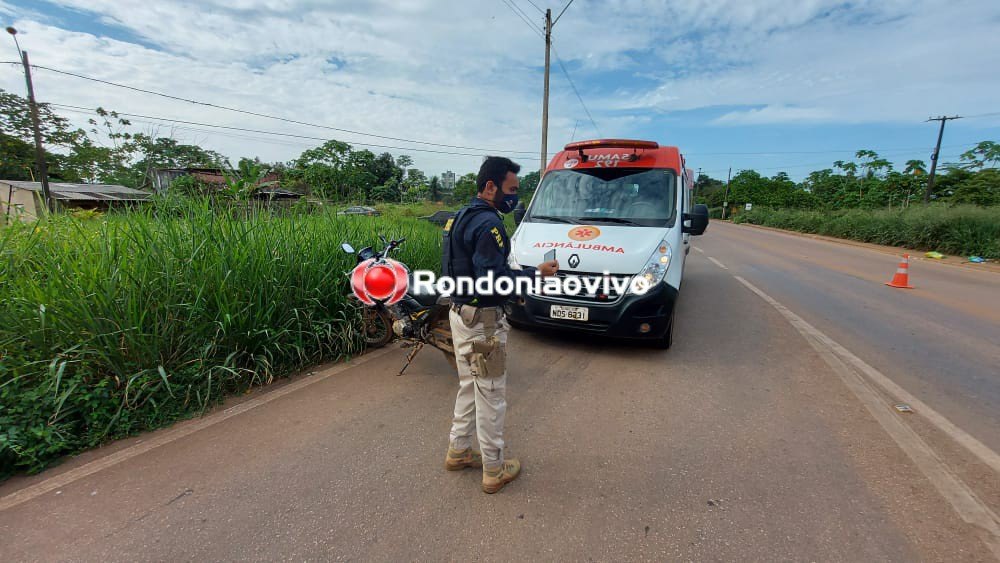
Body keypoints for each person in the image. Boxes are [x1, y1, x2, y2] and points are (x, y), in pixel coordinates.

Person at [441, 156, 558, 494]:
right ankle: (494, 468)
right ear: (490, 186)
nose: (514, 198)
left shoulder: (458, 217)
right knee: (491, 394)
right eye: (511, 190)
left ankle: (458, 450)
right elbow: (495, 281)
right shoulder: (488, 225)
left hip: (460, 315)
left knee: (469, 385)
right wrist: (537, 273)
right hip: (485, 326)